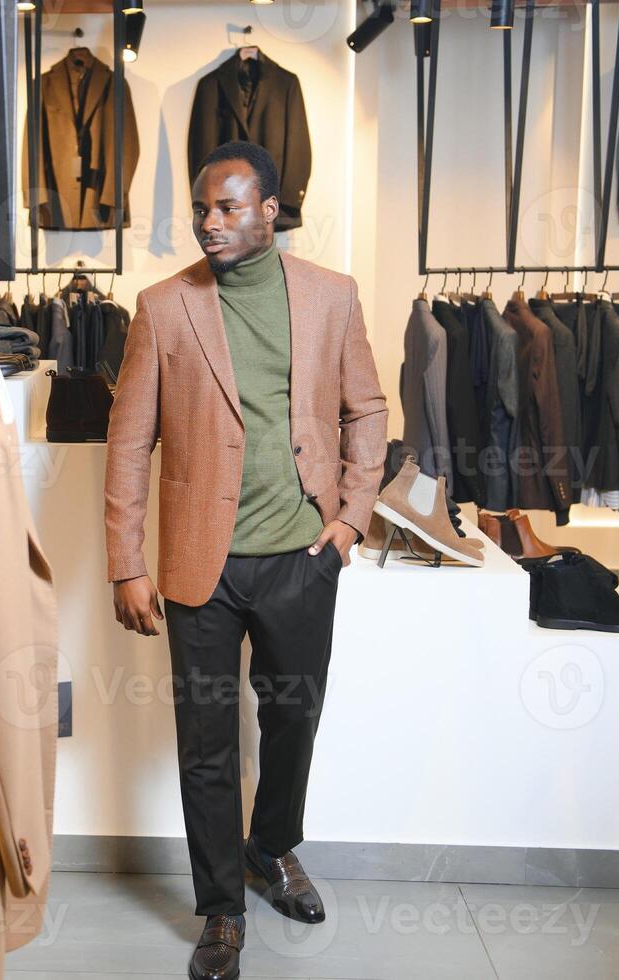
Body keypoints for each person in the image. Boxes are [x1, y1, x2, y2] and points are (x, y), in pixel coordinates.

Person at [104, 140, 387, 980]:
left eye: (227, 207)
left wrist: (347, 526)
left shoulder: (331, 297)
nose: (208, 223)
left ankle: (271, 849)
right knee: (205, 742)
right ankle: (220, 909)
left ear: (269, 211)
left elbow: (366, 410)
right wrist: (125, 561)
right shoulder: (162, 306)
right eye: (200, 208)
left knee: (293, 719)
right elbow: (128, 444)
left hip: (302, 555)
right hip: (201, 564)